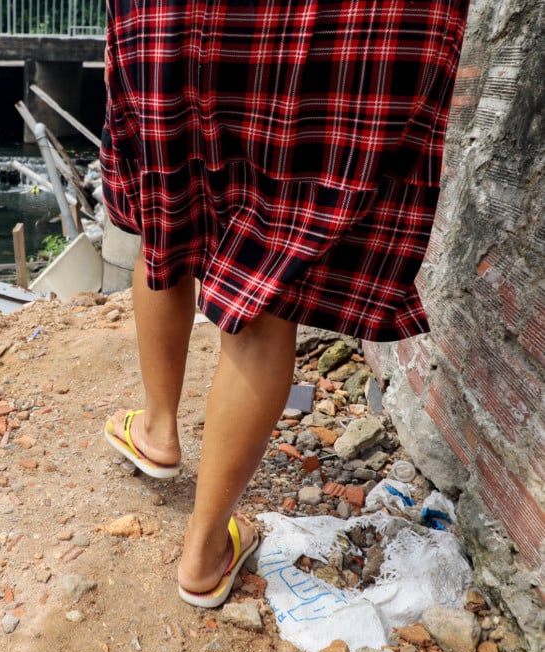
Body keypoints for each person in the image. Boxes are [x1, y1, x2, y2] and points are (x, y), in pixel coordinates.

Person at [99, 0, 470, 608]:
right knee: (270, 281)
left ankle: (159, 429)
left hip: (177, 21)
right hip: (342, 28)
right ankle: (203, 551)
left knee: (166, 220)